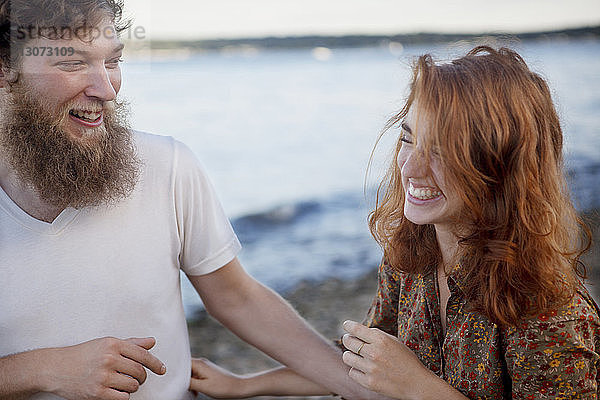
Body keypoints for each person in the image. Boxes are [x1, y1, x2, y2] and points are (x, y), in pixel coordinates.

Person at [0, 1, 393, 399]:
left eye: (113, 61)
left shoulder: (166, 166)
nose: (106, 89)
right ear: (5, 70)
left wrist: (365, 391)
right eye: (72, 64)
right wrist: (43, 370)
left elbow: (237, 298)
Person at [189, 46, 600, 399]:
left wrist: (418, 387)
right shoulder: (411, 258)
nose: (411, 167)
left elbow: (399, 375)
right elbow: (369, 362)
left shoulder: (547, 306)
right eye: (408, 138)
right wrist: (246, 384)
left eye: (442, 149)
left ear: (500, 164)